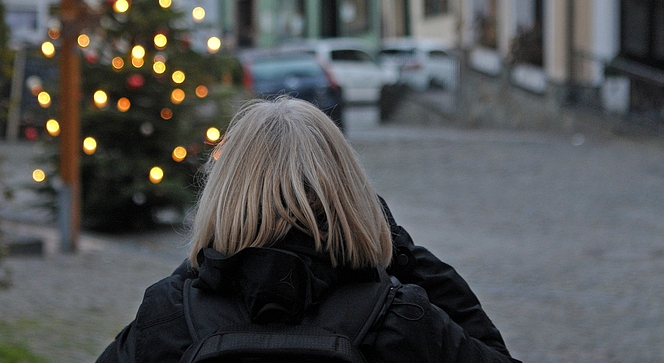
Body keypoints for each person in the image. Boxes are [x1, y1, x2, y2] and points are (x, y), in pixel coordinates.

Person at [96, 98, 520, 363]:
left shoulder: (171, 316)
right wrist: (399, 248)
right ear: (349, 193)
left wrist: (204, 262)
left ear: (222, 195)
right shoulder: (401, 321)